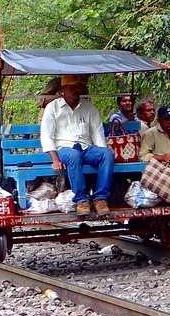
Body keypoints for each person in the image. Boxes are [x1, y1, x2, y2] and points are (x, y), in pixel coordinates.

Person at [40, 75, 114, 216]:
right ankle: (81, 199)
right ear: (63, 89)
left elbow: (97, 133)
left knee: (107, 154)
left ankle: (100, 198)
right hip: (65, 149)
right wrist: (55, 159)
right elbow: (46, 135)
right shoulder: (53, 108)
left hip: (86, 148)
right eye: (72, 87)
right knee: (73, 156)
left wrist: (102, 149)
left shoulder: (89, 107)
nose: (77, 90)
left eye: (78, 86)